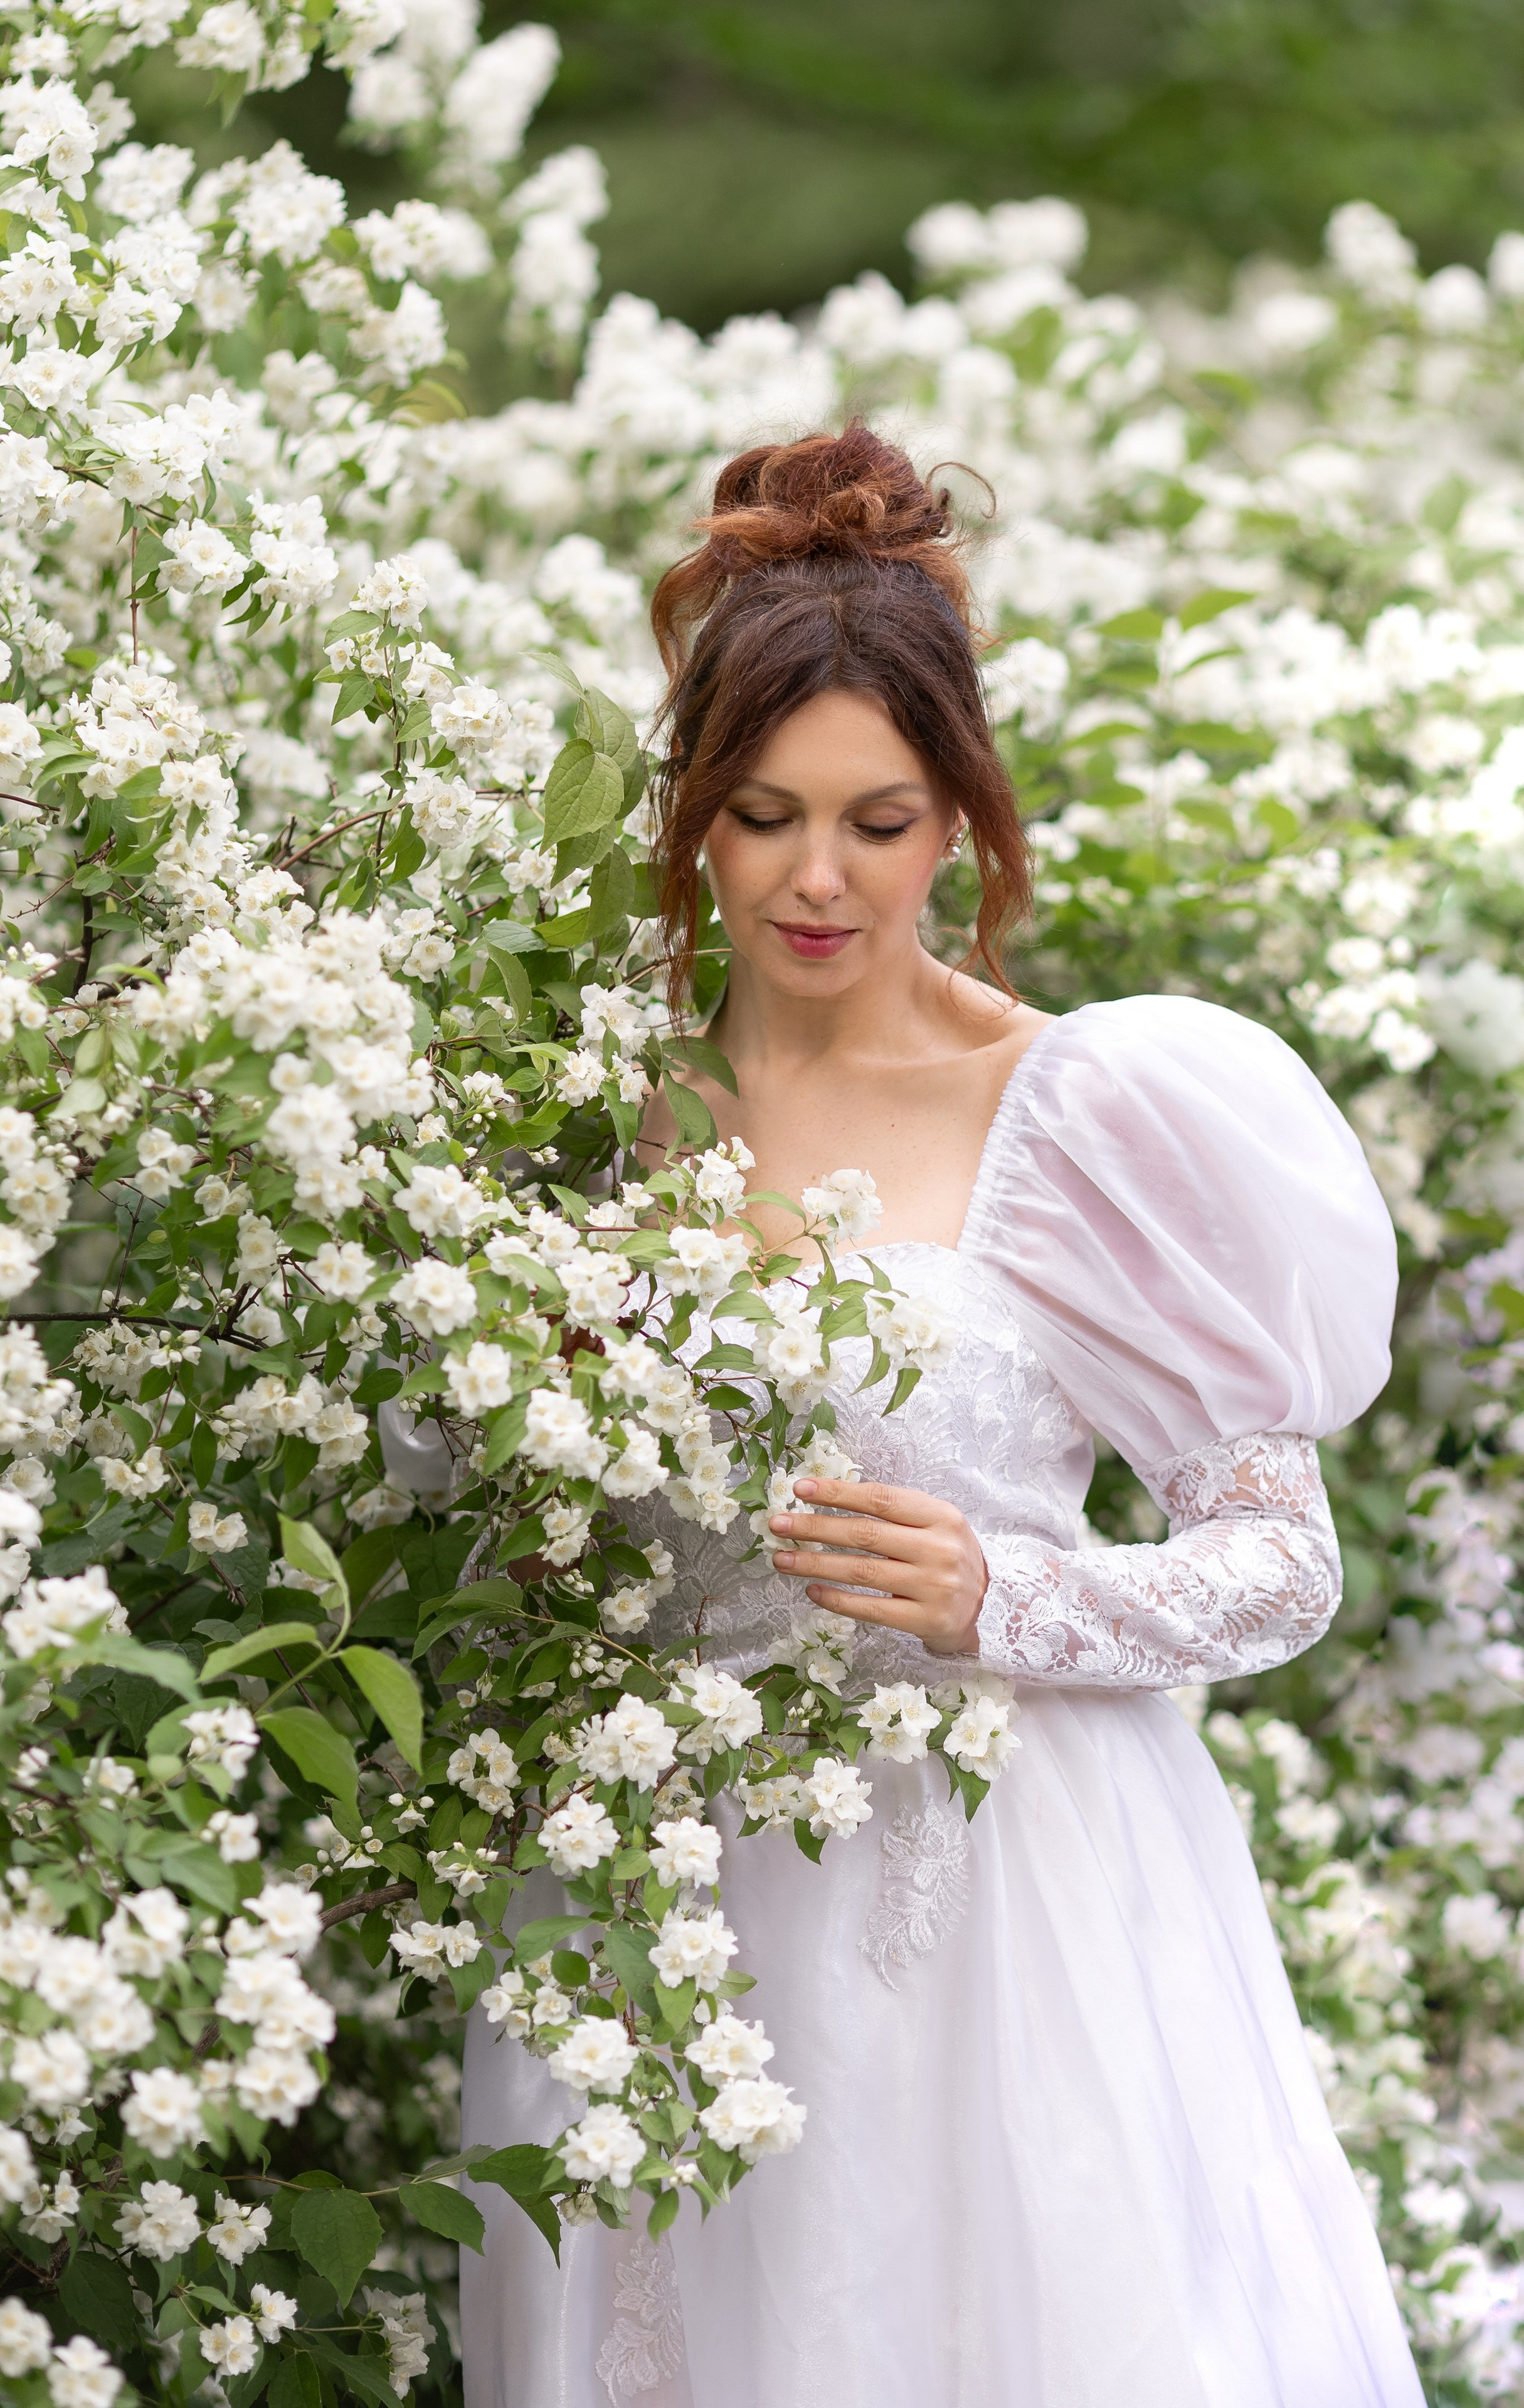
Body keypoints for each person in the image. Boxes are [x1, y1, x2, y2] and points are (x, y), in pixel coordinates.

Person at [457, 427, 1425, 2405]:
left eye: (879, 823)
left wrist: (1009, 1596)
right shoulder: (595, 1112)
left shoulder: (1083, 1116)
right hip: (663, 1901)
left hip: (1002, 1909)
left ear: (959, 820)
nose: (819, 879)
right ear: (693, 820)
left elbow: (1282, 1563)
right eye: (763, 818)